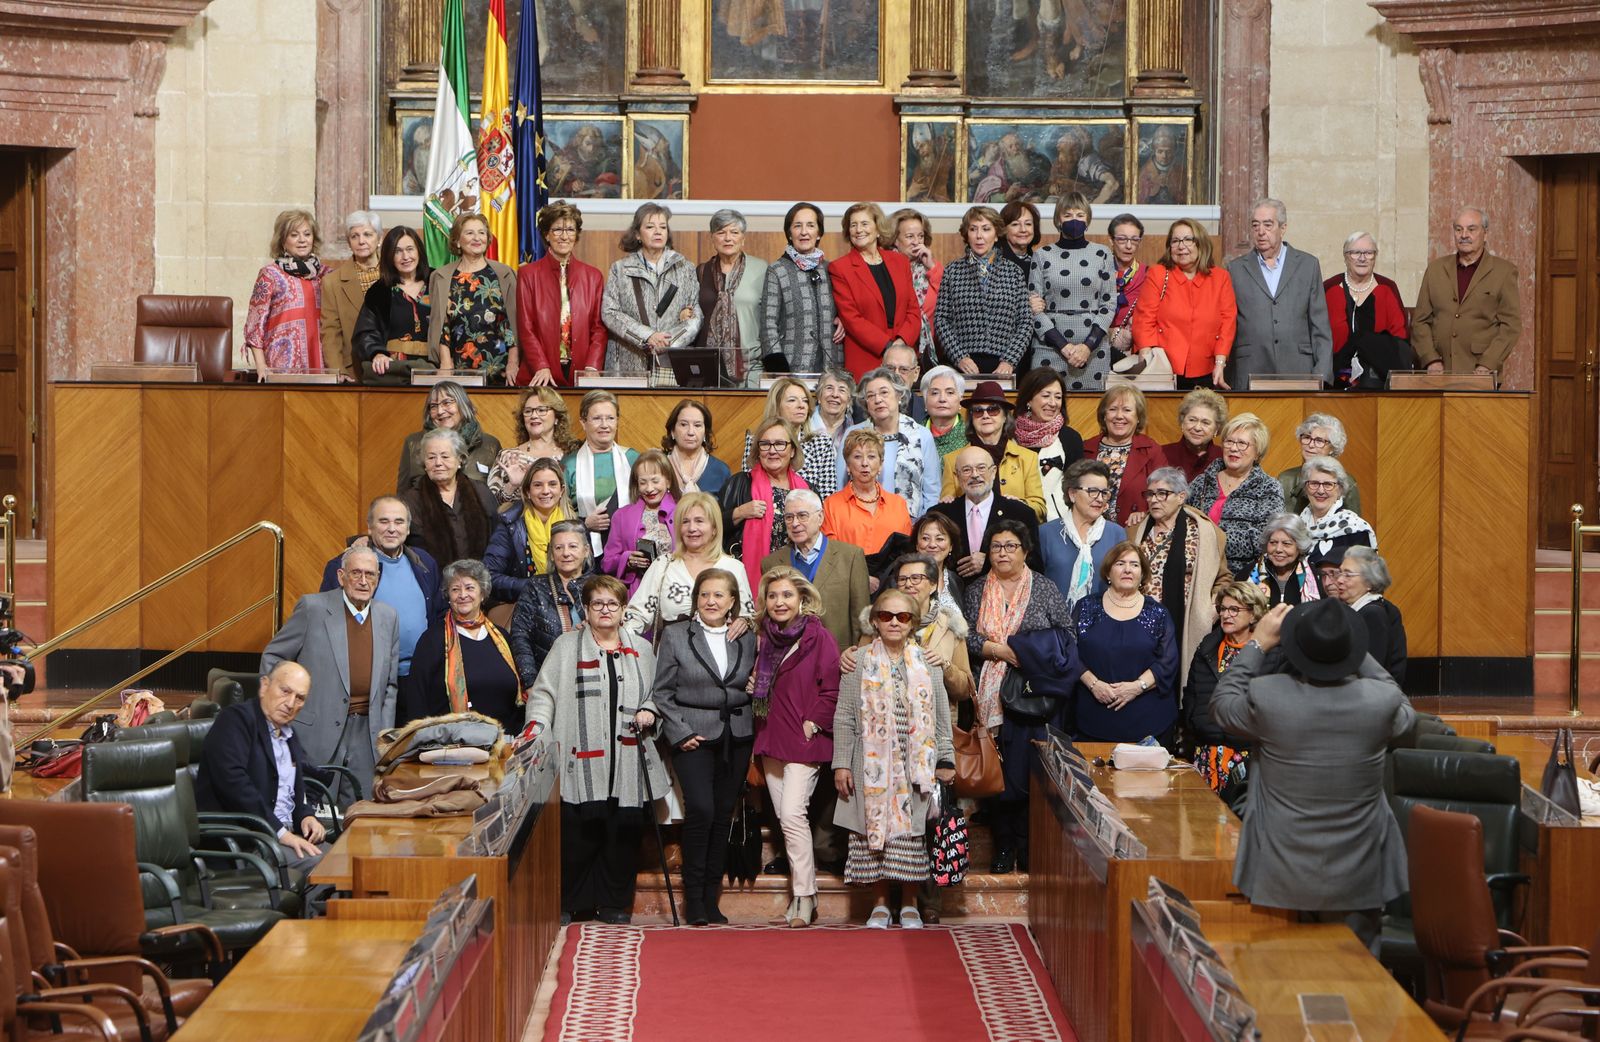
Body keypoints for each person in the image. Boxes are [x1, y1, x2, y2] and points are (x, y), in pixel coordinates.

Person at [1210, 598, 1415, 952]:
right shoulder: (1380, 702)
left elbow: (1223, 702)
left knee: (1280, 982)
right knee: (1359, 983)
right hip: (1359, 870)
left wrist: (1258, 642)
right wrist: (1353, 647)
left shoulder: (1269, 696)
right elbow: (1401, 704)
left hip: (1279, 866)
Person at [526, 575, 666, 925]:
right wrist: (536, 729)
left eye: (612, 604)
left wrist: (649, 710)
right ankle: (573, 902)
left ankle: (614, 904)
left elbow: (656, 694)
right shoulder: (566, 646)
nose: (605, 610)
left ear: (623, 610)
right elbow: (544, 694)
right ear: (585, 610)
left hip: (628, 758)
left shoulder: (642, 649)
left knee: (622, 833)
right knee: (578, 836)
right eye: (597, 604)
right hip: (581, 758)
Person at [833, 587, 955, 928]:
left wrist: (945, 760)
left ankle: (912, 904)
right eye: (886, 616)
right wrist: (841, 762)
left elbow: (942, 717)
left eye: (903, 617)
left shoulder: (928, 666)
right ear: (875, 620)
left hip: (914, 765)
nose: (894, 622)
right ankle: (881, 904)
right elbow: (843, 715)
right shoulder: (857, 662)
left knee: (911, 836)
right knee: (875, 837)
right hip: (870, 765)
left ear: (913, 623)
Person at [963, 519, 1072, 873]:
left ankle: (1028, 848)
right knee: (996, 777)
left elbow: (1066, 635)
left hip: (1031, 697)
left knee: (1027, 779)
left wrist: (1027, 652)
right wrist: (997, 649)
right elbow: (966, 637)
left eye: (1011, 546)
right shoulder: (977, 589)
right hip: (989, 697)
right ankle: (1003, 846)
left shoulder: (1044, 587)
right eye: (996, 546)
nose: (1003, 552)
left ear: (1025, 551)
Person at [650, 568, 757, 926]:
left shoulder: (747, 636)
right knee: (701, 810)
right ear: (696, 598)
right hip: (692, 735)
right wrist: (678, 732)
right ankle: (693, 900)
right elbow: (662, 692)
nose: (711, 601)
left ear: (732, 602)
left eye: (719, 595)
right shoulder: (678, 635)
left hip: (737, 735)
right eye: (704, 594)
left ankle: (712, 899)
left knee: (723, 815)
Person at [261, 548, 400, 801]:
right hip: (317, 731)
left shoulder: (388, 617)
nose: (363, 581)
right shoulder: (312, 608)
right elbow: (274, 656)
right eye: (356, 573)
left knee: (359, 816)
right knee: (313, 814)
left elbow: (390, 685)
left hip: (367, 733)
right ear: (341, 576)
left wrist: (384, 730)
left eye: (370, 574)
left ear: (378, 579)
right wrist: (281, 707)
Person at [751, 567, 841, 929]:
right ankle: (804, 893)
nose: (779, 602)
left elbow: (833, 688)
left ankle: (804, 896)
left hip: (805, 739)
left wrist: (815, 721)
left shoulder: (819, 638)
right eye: (773, 596)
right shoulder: (764, 637)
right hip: (770, 736)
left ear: (802, 599)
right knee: (786, 821)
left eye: (787, 595)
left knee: (791, 816)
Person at [194, 662, 328, 870]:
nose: (291, 703)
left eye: (300, 698)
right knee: (328, 866)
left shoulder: (287, 733)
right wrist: (282, 834)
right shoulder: (235, 721)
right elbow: (236, 787)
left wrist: (306, 815)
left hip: (284, 834)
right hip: (249, 842)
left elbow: (294, 787)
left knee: (347, 858)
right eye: (285, 691)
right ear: (265, 686)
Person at [318, 496, 440, 681]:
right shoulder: (344, 566)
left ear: (407, 529)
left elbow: (439, 612)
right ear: (370, 527)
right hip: (369, 676)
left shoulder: (425, 562)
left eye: (399, 522)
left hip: (419, 674)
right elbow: (327, 618)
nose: (392, 528)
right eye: (384, 521)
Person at [1128, 467, 1229, 688]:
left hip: (1186, 620)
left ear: (1181, 496)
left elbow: (1223, 578)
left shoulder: (1205, 532)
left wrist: (1212, 607)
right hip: (1139, 620)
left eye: (1162, 493)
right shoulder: (1135, 530)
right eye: (1150, 494)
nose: (1154, 500)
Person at [1072, 542, 1181, 746]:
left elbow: (1168, 662)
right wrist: (1094, 684)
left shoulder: (1158, 613)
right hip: (1092, 718)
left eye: (1134, 565)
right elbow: (1069, 653)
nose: (1128, 569)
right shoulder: (1086, 607)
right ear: (1108, 572)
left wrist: (1136, 687)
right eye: (1120, 563)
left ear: (1142, 574)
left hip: (1148, 724)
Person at [403, 559, 524, 736]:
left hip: (504, 744)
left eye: (469, 588)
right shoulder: (432, 640)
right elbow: (417, 699)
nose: (462, 595)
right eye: (455, 589)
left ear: (482, 594)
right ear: (448, 597)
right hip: (451, 745)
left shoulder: (502, 638)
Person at [1223, 198, 1333, 390]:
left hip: (1298, 369)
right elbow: (1227, 323)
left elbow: (1320, 325)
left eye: (1268, 224)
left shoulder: (1308, 265)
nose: (1261, 231)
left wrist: (1322, 374)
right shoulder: (1235, 269)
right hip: (1250, 369)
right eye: (1255, 225)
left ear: (1283, 228)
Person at [1184, 581, 1272, 808]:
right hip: (1206, 753)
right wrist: (1197, 728)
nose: (1226, 615)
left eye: (1235, 610)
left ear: (1253, 614)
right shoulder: (1208, 647)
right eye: (1223, 609)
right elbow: (1192, 693)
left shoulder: (1268, 653)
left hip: (1246, 757)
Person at [625, 493, 754, 639]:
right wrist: (619, 641)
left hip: (721, 655)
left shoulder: (734, 568)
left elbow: (748, 616)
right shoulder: (663, 565)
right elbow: (637, 614)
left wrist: (744, 621)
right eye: (685, 522)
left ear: (714, 528)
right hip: (672, 656)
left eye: (699, 521)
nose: (691, 528)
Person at [1412, 206, 1521, 377]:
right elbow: (1420, 320)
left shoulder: (1504, 272)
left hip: (1481, 373)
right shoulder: (1435, 269)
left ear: (1485, 234)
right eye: (1458, 229)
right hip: (1438, 372)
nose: (1464, 235)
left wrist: (1488, 364)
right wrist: (1430, 359)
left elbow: (1510, 326)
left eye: (1471, 229)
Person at [600, 203, 703, 383]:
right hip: (628, 364)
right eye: (650, 227)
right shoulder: (620, 269)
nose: (658, 232)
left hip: (670, 364)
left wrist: (668, 342)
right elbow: (610, 313)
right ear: (638, 234)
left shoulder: (685, 268)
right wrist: (648, 336)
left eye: (663, 227)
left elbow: (696, 315)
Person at [1130, 218, 1237, 388]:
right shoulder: (1158, 274)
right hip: (1163, 368)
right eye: (1175, 241)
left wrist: (1220, 362)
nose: (1181, 246)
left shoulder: (1220, 277)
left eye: (1188, 239)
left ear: (1200, 243)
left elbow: (1227, 323)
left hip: (1207, 368)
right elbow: (1144, 319)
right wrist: (1146, 358)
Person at [762, 489, 869, 652]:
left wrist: (857, 656)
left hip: (838, 658)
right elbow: (767, 619)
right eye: (789, 517)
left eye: (802, 515)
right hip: (787, 658)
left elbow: (861, 618)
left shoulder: (851, 556)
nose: (795, 523)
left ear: (820, 517)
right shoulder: (771, 563)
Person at [933, 205, 1034, 376]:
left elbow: (1025, 320)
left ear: (996, 235)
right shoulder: (953, 270)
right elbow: (942, 319)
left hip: (1004, 366)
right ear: (967, 234)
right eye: (973, 229)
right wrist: (960, 357)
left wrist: (1009, 360)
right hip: (964, 365)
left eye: (986, 229)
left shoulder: (1014, 271)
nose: (979, 236)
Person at [515, 202, 607, 386]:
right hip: (539, 373)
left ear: (577, 235)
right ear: (546, 235)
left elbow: (598, 328)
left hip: (582, 373)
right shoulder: (528, 274)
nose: (564, 236)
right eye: (557, 229)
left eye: (570, 230)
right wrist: (541, 365)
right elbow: (526, 327)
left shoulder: (593, 276)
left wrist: (592, 367)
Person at [1029, 193, 1115, 388]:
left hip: (1093, 351)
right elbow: (1033, 307)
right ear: (1058, 220)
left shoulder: (1102, 254)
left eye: (1080, 215)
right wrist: (1063, 346)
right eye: (1067, 215)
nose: (1074, 220)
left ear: (1088, 219)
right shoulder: (1042, 255)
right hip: (1050, 347)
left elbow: (1108, 304)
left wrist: (1087, 347)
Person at [830, 202, 923, 380]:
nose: (859, 230)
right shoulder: (840, 268)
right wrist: (888, 346)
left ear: (878, 229)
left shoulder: (900, 261)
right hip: (867, 359)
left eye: (864, 224)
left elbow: (913, 310)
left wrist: (900, 344)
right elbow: (851, 318)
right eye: (853, 225)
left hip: (903, 360)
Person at [1186, 413, 1284, 578]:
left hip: (1242, 579)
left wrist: (1213, 540)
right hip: (1196, 574)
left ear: (1257, 452)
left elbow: (1267, 538)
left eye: (1242, 443)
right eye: (1229, 441)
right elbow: (1181, 520)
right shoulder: (1202, 481)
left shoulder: (1269, 487)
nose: (1233, 448)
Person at [427, 212, 519, 383]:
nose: (477, 238)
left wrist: (513, 363)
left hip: (503, 373)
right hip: (457, 373)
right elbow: (442, 326)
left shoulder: (505, 274)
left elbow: (511, 325)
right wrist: (446, 365)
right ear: (457, 240)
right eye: (469, 233)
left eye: (482, 232)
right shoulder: (441, 277)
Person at [721, 417, 811, 593]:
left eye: (779, 444)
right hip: (746, 581)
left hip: (795, 578)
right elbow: (713, 526)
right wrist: (740, 512)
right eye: (765, 444)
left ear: (792, 450)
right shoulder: (740, 483)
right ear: (757, 450)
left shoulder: (807, 491)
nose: (772, 451)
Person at [930, 445, 1042, 580]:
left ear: (993, 472)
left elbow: (1035, 565)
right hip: (955, 596)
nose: (975, 475)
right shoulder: (941, 514)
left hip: (1005, 595)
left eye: (981, 468)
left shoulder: (1020, 513)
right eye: (966, 470)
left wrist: (991, 562)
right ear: (958, 477)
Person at [841, 369, 942, 517]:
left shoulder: (921, 435)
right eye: (871, 396)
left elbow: (931, 492)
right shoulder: (853, 435)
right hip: (859, 522)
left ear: (899, 395)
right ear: (865, 403)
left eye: (884, 392)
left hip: (910, 527)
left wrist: (923, 526)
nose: (877, 400)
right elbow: (840, 486)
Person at [939, 381, 1046, 519]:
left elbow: (1040, 508)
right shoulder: (952, 460)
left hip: (1013, 533)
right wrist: (947, 503)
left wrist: (1019, 505)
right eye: (978, 411)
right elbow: (945, 513)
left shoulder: (1027, 458)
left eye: (993, 409)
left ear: (1004, 417)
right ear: (971, 418)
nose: (985, 415)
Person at [510, 520, 594, 689]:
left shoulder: (599, 586)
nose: (566, 553)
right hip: (549, 682)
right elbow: (520, 636)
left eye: (573, 546)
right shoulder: (535, 587)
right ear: (551, 554)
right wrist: (530, 682)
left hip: (594, 678)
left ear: (586, 551)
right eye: (558, 548)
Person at [762, 201, 842, 374]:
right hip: (792, 368)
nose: (804, 232)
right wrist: (779, 371)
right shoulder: (777, 270)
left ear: (819, 233)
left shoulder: (832, 269)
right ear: (789, 233)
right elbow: (768, 323)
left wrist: (844, 319)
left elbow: (848, 307)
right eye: (797, 226)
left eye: (810, 225)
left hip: (833, 368)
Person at [245, 208, 326, 379]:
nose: (302, 240)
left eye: (307, 234)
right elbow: (254, 325)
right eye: (294, 235)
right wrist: (261, 366)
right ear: (283, 240)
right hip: (281, 365)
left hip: (322, 362)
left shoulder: (327, 275)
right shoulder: (269, 274)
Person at [1324, 231, 1411, 389]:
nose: (1362, 258)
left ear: (1375, 256)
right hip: (1334, 381)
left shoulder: (1388, 288)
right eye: (1355, 252)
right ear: (1345, 256)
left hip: (1377, 382)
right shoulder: (1329, 288)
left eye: (1368, 253)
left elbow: (1401, 339)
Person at [401, 428, 500, 566]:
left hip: (479, 581)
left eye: (445, 456)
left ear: (460, 460)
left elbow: (498, 538)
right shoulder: (410, 501)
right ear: (424, 464)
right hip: (432, 582)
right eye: (431, 457)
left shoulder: (481, 492)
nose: (438, 463)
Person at [693, 209, 768, 386]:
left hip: (750, 367)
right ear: (712, 238)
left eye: (734, 232)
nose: (728, 238)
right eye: (721, 232)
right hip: (707, 368)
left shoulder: (762, 269)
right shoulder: (701, 271)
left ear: (743, 239)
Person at [1038, 459, 1126, 610]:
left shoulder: (1116, 533)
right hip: (1054, 625)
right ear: (1072, 494)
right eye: (1092, 491)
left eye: (1104, 493)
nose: (1099, 498)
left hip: (1102, 622)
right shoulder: (1046, 533)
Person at [352, 225, 433, 385]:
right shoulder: (379, 291)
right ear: (389, 256)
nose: (405, 256)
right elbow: (365, 332)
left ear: (419, 251)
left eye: (410, 249)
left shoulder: (437, 281)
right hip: (394, 372)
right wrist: (377, 354)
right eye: (397, 251)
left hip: (435, 369)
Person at [484, 458, 572, 605]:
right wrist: (536, 586)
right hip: (524, 605)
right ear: (527, 491)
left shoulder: (575, 526)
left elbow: (589, 574)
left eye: (552, 484)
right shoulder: (510, 525)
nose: (546, 491)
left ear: (561, 490)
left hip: (569, 603)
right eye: (538, 485)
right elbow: (489, 576)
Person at [565, 390, 640, 557]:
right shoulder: (569, 465)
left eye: (610, 418)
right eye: (597, 418)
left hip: (629, 549)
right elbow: (559, 516)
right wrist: (585, 524)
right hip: (585, 551)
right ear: (583, 423)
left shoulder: (633, 458)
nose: (604, 425)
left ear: (617, 421)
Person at [823, 429, 913, 561]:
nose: (864, 463)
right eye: (857, 457)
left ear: (881, 464)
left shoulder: (898, 505)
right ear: (848, 466)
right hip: (848, 579)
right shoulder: (831, 505)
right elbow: (830, 555)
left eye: (871, 456)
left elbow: (906, 553)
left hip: (890, 579)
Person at [1083, 384, 1165, 526]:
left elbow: (1164, 494)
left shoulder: (1151, 450)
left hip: (1133, 531)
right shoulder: (1085, 448)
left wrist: (1146, 513)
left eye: (1127, 410)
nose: (1119, 416)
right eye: (1113, 409)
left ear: (1138, 417)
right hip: (1087, 530)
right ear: (1104, 415)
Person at [396, 381, 502, 492]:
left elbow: (499, 496)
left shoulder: (490, 444)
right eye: (434, 406)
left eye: (447, 403)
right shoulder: (414, 442)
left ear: (463, 405)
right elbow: (403, 494)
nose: (440, 411)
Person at [602, 450, 681, 596]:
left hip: (676, 591)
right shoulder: (622, 516)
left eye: (655, 481)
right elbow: (607, 563)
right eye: (643, 482)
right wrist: (627, 560)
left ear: (668, 480)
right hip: (637, 593)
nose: (649, 488)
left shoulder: (684, 511)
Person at [741, 377, 839, 494]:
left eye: (805, 400)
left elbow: (827, 494)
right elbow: (748, 487)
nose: (801, 405)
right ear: (777, 406)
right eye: (792, 400)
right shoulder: (755, 440)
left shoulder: (821, 443)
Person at [1013, 368, 1085, 522]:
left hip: (1057, 523)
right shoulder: (1010, 436)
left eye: (1058, 397)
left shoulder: (1070, 438)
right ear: (1029, 399)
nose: (1053, 403)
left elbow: (1078, 486)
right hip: (1015, 523)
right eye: (1046, 396)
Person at [320, 211, 383, 382]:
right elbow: (330, 332)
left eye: (367, 234)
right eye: (355, 236)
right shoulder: (332, 282)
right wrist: (338, 372)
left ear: (379, 239)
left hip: (393, 367)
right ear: (349, 242)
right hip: (354, 371)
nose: (361, 241)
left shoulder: (396, 275)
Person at [487, 387, 576, 505]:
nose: (534, 415)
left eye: (541, 410)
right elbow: (490, 504)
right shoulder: (508, 456)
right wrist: (512, 486)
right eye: (528, 411)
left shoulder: (571, 456)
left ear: (557, 417)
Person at [1336, 547, 1407, 686]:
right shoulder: (1369, 608)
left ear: (1369, 582)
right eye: (1340, 573)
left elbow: (1371, 669)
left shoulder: (1372, 614)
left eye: (1348, 575)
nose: (1339, 580)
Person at [889, 208, 943, 370]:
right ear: (895, 240)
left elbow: (949, 301)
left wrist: (931, 266)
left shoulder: (934, 268)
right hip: (896, 348)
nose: (916, 242)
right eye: (909, 236)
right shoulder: (886, 267)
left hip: (927, 352)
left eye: (920, 236)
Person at [1277, 413, 1363, 514]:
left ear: (1332, 448)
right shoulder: (1285, 479)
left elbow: (1355, 526)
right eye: (1307, 438)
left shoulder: (1347, 482)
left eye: (1319, 440)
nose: (1311, 445)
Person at [1299, 456, 1376, 566]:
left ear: (1340, 489)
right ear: (1306, 488)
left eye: (1328, 484)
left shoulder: (1356, 529)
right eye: (1314, 483)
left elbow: (1366, 577)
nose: (1320, 491)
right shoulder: (1296, 527)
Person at [661, 398, 732, 497]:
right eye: (683, 424)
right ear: (672, 431)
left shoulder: (721, 471)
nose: (690, 432)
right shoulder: (658, 465)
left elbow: (727, 511)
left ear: (705, 433)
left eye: (697, 425)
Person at [1105, 213, 1150, 360]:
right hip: (1099, 349)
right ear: (1111, 240)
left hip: (1133, 352)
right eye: (1122, 239)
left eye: (1134, 240)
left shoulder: (1148, 275)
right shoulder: (1098, 272)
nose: (1129, 245)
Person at [1251, 514, 1322, 607]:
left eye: (1286, 544)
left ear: (1299, 546)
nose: (1278, 549)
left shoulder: (1316, 576)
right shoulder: (1249, 573)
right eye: (1273, 543)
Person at [1160, 388, 1227, 483]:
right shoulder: (1161, 454)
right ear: (1182, 422)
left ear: (1216, 429)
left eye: (1205, 423)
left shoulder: (1224, 457)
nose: (1197, 428)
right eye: (1192, 420)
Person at [910, 512, 967, 611]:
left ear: (951, 546)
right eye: (925, 538)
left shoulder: (956, 581)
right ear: (916, 544)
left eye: (939, 539)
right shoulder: (901, 579)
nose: (932, 544)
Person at [810, 368, 857, 465]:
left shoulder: (857, 431)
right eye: (829, 388)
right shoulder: (803, 426)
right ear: (819, 396)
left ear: (849, 401)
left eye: (842, 390)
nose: (835, 395)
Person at [923, 366, 968, 461]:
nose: (942, 399)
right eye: (935, 393)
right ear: (925, 401)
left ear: (960, 399)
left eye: (950, 393)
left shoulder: (971, 436)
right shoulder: (912, 435)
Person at [882, 342, 926, 421]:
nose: (896, 374)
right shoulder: (863, 407)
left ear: (916, 373)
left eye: (904, 369)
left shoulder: (928, 408)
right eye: (890, 368)